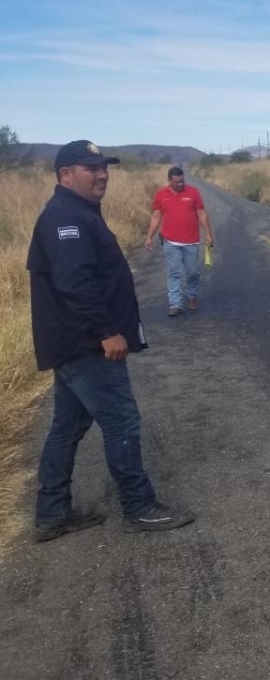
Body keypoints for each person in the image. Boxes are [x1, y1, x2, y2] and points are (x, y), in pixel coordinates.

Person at [27, 140, 194, 541]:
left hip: (73, 345)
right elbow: (75, 284)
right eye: (90, 168)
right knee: (121, 421)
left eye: (104, 167)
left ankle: (52, 515)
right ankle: (139, 507)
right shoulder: (65, 217)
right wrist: (106, 331)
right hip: (86, 346)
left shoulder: (78, 213)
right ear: (65, 175)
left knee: (66, 428)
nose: (102, 174)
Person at [145, 165, 214, 316]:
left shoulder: (193, 192)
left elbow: (201, 214)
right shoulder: (161, 195)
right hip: (170, 241)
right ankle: (175, 304)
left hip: (191, 241)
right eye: (177, 182)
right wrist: (149, 236)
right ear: (169, 180)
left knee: (192, 273)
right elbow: (156, 217)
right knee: (174, 273)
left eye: (182, 181)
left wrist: (208, 234)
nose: (180, 184)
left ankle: (192, 296)